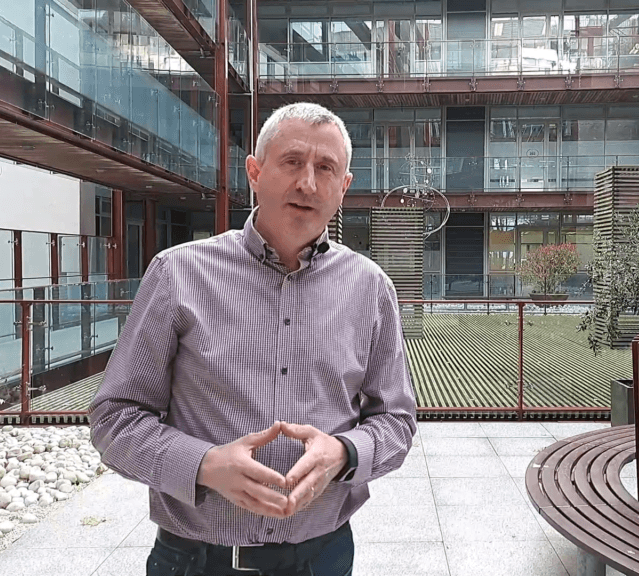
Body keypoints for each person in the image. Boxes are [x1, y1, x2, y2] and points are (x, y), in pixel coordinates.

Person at [89, 102, 418, 576]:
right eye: (292, 162)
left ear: (343, 187)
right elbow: (114, 420)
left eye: (325, 168)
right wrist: (204, 464)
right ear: (255, 173)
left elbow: (397, 423)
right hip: (197, 561)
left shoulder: (370, 288)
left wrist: (345, 453)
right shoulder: (177, 274)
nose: (308, 183)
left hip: (323, 557)